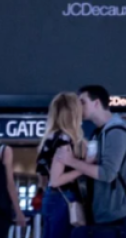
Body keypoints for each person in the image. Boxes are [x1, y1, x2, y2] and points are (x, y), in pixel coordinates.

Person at [55, 85, 126, 238]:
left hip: (113, 216)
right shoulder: (99, 133)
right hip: (102, 214)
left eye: (82, 102)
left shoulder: (116, 132)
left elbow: (107, 174)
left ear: (97, 103)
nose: (78, 107)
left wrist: (72, 162)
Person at [38, 93, 88, 238]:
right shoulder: (64, 140)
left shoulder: (50, 139)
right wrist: (83, 167)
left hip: (52, 199)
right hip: (64, 200)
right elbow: (56, 180)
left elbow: (44, 178)